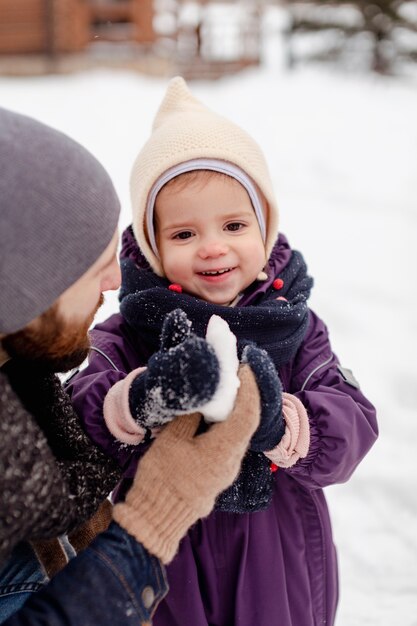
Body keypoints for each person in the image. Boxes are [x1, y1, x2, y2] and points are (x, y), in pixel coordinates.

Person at [68, 77, 378, 626]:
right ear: (153, 245)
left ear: (264, 229)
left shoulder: (296, 328)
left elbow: (352, 422)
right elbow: (78, 420)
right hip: (167, 553)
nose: (213, 246)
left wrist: (279, 425)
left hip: (276, 554)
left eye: (234, 225)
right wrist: (142, 398)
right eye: (184, 234)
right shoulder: (127, 334)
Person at [0, 105, 262, 625]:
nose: (114, 284)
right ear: (25, 284)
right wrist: (155, 517)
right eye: (95, 268)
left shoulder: (23, 401)